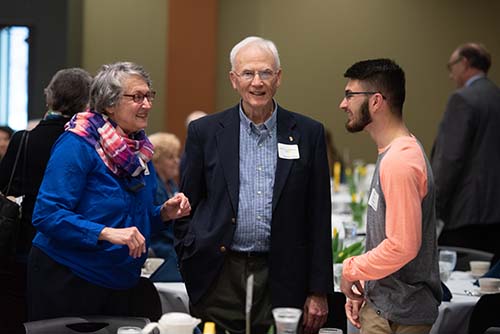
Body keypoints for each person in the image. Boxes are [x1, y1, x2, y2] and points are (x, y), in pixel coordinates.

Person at [175, 36, 333, 334]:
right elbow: (187, 205)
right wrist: (190, 258)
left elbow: (319, 215)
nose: (257, 82)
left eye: (265, 73)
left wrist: (319, 289)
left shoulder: (308, 133)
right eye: (248, 73)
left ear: (279, 77)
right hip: (219, 274)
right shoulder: (205, 132)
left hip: (284, 275)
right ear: (234, 79)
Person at [27, 62, 191, 322]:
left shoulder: (138, 151)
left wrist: (163, 214)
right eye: (137, 97)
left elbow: (132, 222)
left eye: (149, 96)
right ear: (109, 104)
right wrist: (104, 233)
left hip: (118, 282)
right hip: (69, 279)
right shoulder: (78, 143)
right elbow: (47, 214)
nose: (147, 104)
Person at [338, 59, 442, 334]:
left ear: (375, 101)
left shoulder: (400, 161)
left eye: (350, 95)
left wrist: (352, 268)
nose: (343, 104)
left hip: (400, 314)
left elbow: (402, 245)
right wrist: (367, 286)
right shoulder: (394, 153)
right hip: (387, 306)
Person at [0, 68, 92, 334]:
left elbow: (6, 183)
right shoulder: (87, 141)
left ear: (50, 97)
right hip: (74, 241)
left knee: (25, 316)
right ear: (87, 101)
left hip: (26, 240)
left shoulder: (25, 139)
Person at [431, 43, 500, 265]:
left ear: (465, 63)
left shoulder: (462, 99)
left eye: (452, 66)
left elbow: (450, 159)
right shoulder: (495, 96)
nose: (451, 74)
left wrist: (433, 205)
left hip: (466, 213)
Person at [147, 132, 183, 282]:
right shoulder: (152, 187)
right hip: (159, 249)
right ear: (156, 161)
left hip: (174, 245)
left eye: (177, 156)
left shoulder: (172, 185)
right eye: (170, 157)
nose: (177, 161)